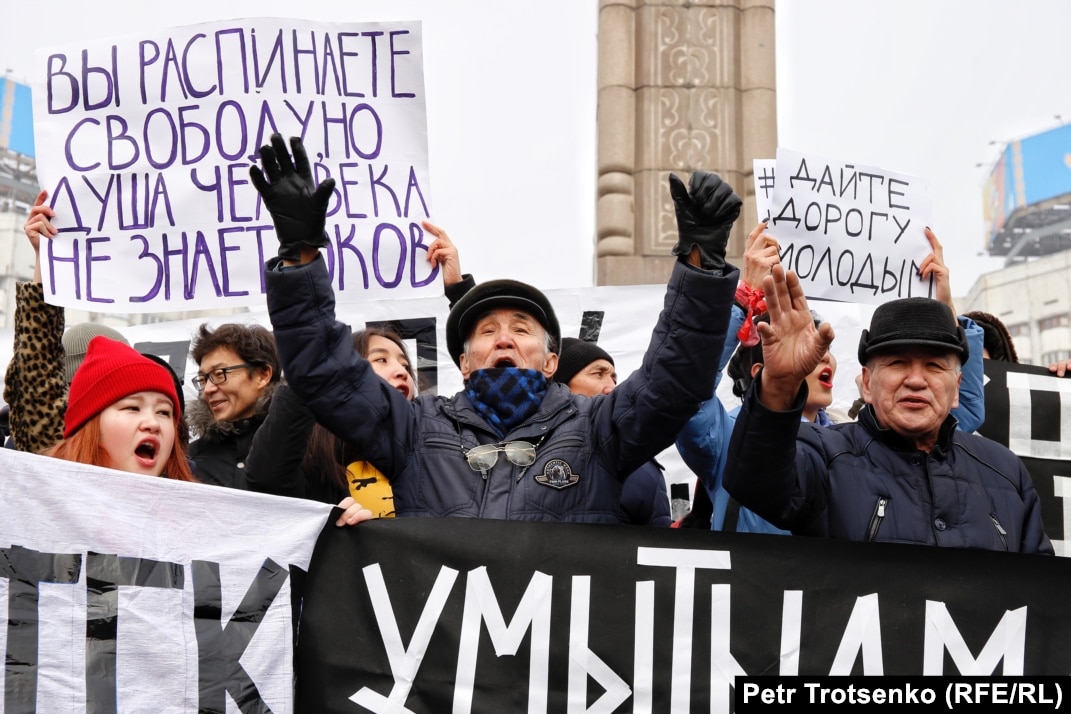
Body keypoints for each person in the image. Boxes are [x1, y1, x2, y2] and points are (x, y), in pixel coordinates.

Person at [249, 133, 740, 522]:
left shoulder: (599, 429)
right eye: (486, 331)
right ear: (464, 363)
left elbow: (674, 381)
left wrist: (699, 268)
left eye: (522, 328)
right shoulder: (416, 430)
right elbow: (324, 372)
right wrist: (300, 258)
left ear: (551, 362)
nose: (503, 337)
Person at [679, 223, 991, 532]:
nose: (823, 355)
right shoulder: (728, 436)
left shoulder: (854, 440)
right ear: (761, 373)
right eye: (802, 348)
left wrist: (944, 314)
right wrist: (742, 299)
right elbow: (683, 390)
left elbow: (955, 411)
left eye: (821, 345)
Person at [722, 263, 1053, 553]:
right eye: (897, 363)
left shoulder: (1006, 473)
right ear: (866, 383)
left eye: (935, 366)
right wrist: (780, 384)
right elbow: (755, 481)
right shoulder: (823, 456)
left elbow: (1039, 602)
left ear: (957, 389)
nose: (915, 380)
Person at [553, 337, 671, 526]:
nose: (611, 388)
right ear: (561, 384)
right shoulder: (520, 450)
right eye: (598, 374)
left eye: (613, 378)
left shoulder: (641, 466)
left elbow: (657, 549)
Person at [43, 336, 195, 481]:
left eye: (164, 412)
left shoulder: (195, 505)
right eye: (133, 408)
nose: (153, 424)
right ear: (89, 426)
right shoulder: (39, 501)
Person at [185, 322, 281, 489]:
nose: (208, 389)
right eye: (203, 380)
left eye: (219, 374)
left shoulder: (309, 444)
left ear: (262, 375)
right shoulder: (190, 459)